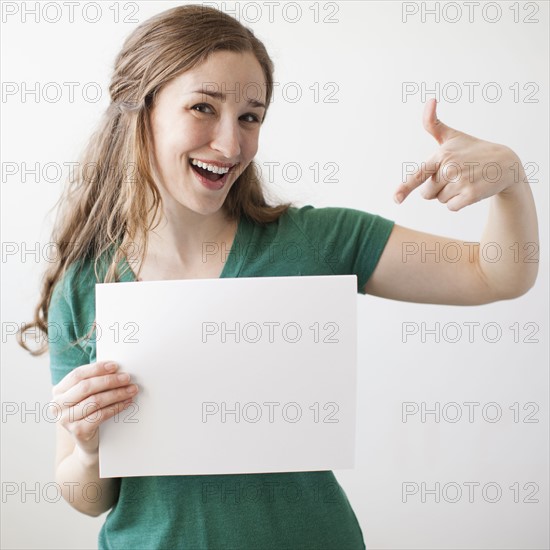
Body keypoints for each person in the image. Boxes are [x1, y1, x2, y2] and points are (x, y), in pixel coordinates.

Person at [18, 4, 539, 550]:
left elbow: (496, 274)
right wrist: (89, 449)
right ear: (139, 111)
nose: (230, 144)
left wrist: (510, 178)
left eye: (250, 116)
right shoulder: (84, 284)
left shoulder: (318, 242)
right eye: (203, 107)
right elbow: (86, 497)